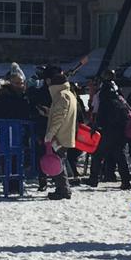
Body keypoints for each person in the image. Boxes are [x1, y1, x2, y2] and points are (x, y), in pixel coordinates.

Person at [88, 80, 131, 190]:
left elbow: (100, 119)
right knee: (121, 158)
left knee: (97, 156)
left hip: (106, 134)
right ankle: (126, 181)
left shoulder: (104, 102)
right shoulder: (120, 101)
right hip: (120, 134)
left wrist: (95, 128)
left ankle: (93, 179)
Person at [42, 69, 77, 200]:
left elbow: (58, 117)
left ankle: (63, 190)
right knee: (59, 163)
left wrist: (50, 134)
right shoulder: (69, 94)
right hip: (66, 135)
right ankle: (63, 189)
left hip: (59, 137)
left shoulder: (61, 96)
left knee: (57, 164)